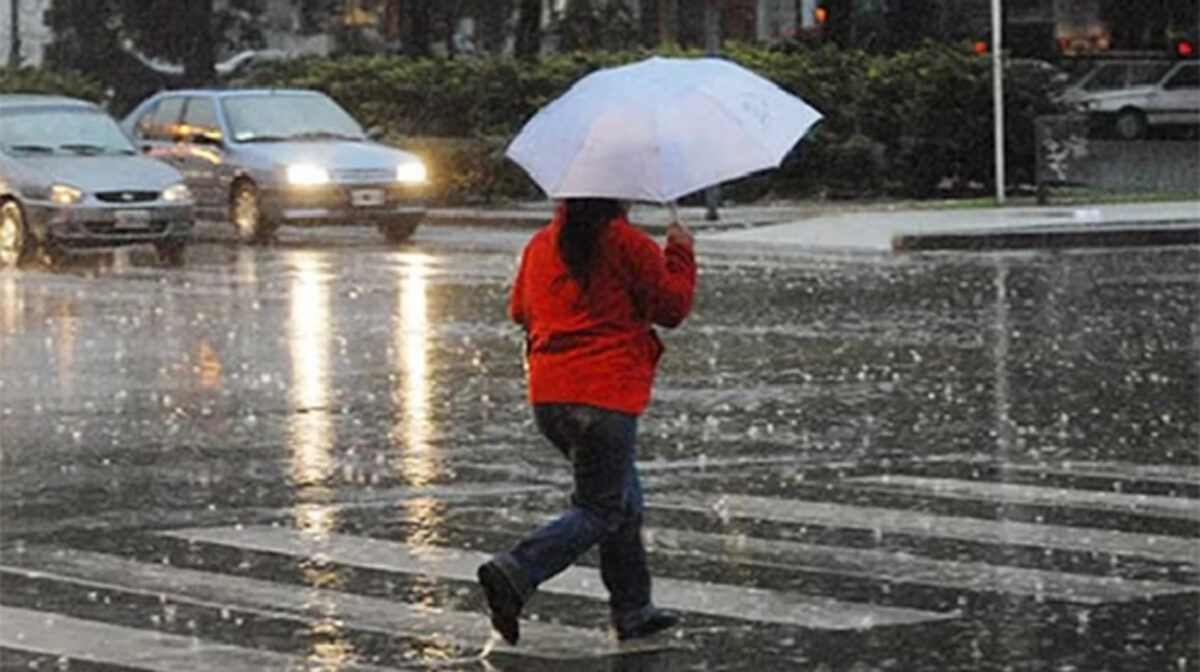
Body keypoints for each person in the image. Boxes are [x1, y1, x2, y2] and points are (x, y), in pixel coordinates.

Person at [477, 198, 697, 645]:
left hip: (550, 396)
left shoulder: (542, 244)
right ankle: (519, 569)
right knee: (602, 507)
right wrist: (680, 252)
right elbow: (671, 308)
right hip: (605, 395)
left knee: (623, 500)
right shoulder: (629, 245)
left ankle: (634, 610)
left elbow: (520, 310)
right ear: (618, 196)